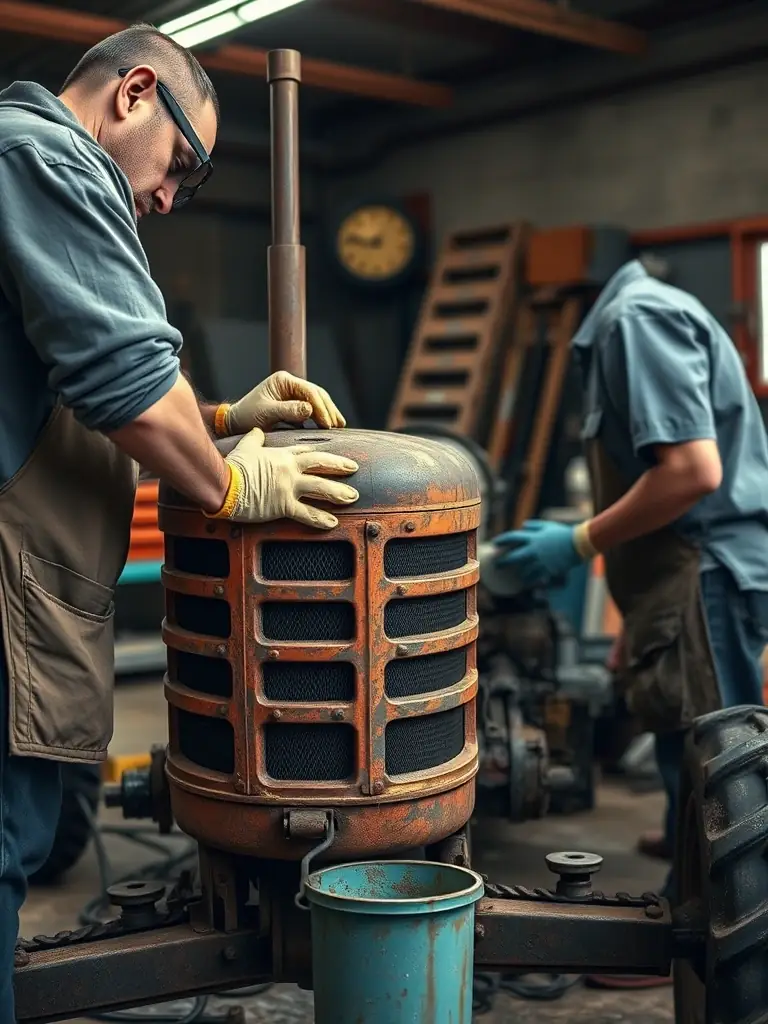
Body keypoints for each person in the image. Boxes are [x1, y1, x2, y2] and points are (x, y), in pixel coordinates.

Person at [0, 23, 359, 1020]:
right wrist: (231, 484)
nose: (168, 197)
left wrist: (221, 418)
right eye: (184, 168)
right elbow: (124, 382)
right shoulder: (41, 159)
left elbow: (57, 379)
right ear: (132, 95)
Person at [493, 257, 768, 911]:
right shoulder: (636, 318)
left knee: (718, 768)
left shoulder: (633, 322)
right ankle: (690, 850)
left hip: (705, 573)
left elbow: (691, 473)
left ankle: (696, 928)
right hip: (687, 580)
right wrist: (633, 620)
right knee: (691, 756)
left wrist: (579, 540)